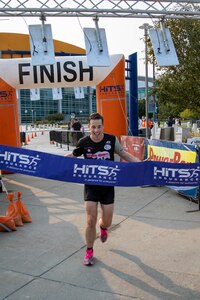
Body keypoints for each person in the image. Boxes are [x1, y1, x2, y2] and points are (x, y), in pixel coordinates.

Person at [66, 112, 141, 266]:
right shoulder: (83, 142)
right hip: (91, 186)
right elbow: (72, 156)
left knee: (107, 221)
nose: (96, 130)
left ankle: (103, 227)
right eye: (93, 127)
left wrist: (140, 164)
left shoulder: (111, 140)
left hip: (107, 187)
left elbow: (124, 154)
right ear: (89, 127)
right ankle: (89, 250)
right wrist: (52, 162)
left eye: (99, 126)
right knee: (90, 220)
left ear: (103, 126)